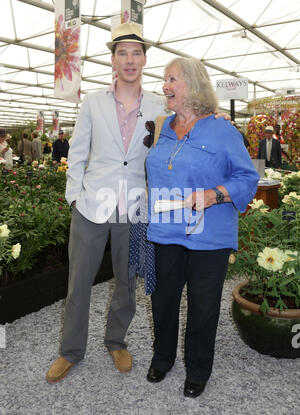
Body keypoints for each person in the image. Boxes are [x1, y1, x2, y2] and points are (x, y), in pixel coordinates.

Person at [46, 23, 230, 384]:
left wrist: (215, 118)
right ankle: (70, 351)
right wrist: (73, 197)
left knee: (127, 280)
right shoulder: (93, 103)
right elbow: (78, 153)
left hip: (136, 206)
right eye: (122, 53)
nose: (129, 60)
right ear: (112, 60)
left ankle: (116, 340)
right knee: (78, 280)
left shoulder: (161, 105)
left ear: (145, 59)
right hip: (91, 205)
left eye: (136, 53)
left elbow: (192, 124)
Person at [145, 57, 259, 398]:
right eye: (165, 79)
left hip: (209, 236)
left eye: (172, 79)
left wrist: (215, 194)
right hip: (166, 230)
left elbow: (247, 179)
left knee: (203, 304)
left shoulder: (223, 130)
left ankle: (198, 368)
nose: (165, 85)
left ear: (193, 86)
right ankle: (163, 357)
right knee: (163, 299)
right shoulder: (163, 126)